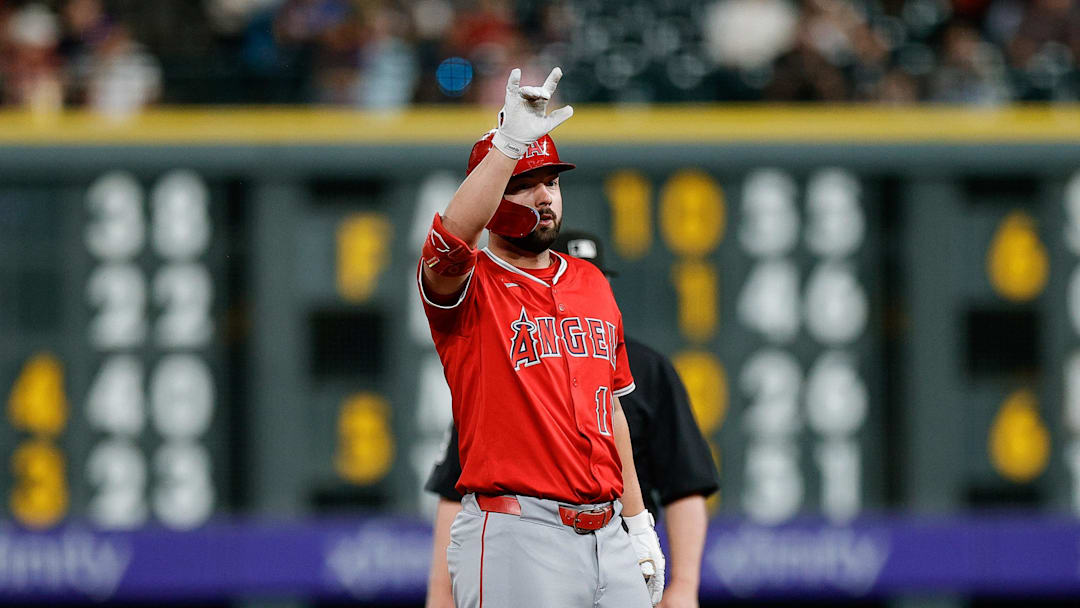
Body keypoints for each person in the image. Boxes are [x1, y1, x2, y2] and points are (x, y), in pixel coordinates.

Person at [416, 67, 664, 608]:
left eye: (550, 181)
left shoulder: (591, 282)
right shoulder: (470, 284)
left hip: (608, 535)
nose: (544, 196)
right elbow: (450, 239)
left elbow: (613, 412)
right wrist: (505, 147)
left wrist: (639, 521)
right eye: (522, 184)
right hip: (516, 533)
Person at [424, 231, 720, 608]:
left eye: (597, 278)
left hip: (617, 539)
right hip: (529, 540)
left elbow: (685, 483)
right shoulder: (499, 369)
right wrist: (440, 593)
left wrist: (682, 583)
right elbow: (457, 489)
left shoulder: (647, 369)